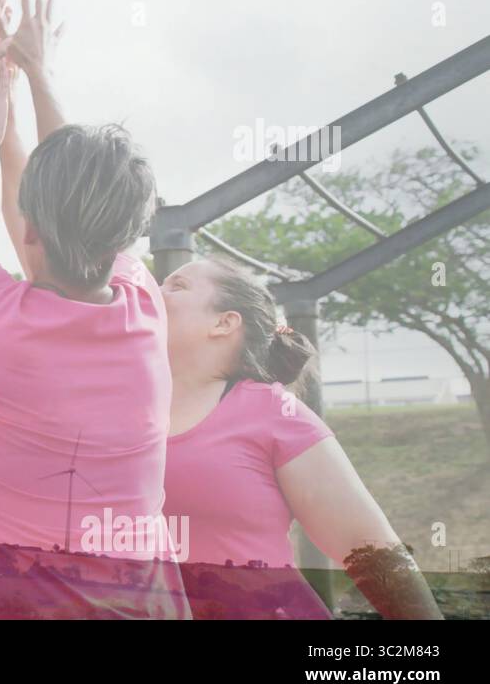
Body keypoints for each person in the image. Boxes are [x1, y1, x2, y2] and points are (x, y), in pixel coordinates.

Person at [0, 0, 188, 618]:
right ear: (125, 236)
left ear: (27, 230)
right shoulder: (143, 308)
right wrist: (36, 72)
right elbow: (71, 197)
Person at [160, 257, 443, 619]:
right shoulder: (116, 412)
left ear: (223, 322)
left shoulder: (274, 413)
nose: (154, 290)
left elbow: (371, 548)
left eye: (176, 285)